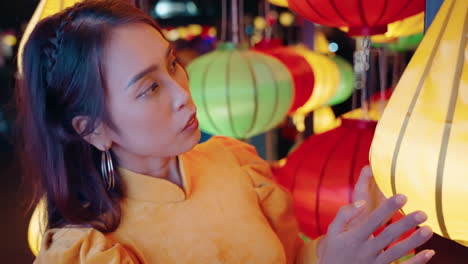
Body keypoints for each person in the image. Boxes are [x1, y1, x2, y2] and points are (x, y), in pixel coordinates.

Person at [17, 1, 435, 263]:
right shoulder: (89, 250)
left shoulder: (231, 160)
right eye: (149, 88)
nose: (183, 92)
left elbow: (294, 256)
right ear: (92, 129)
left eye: (173, 63)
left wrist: (340, 246)